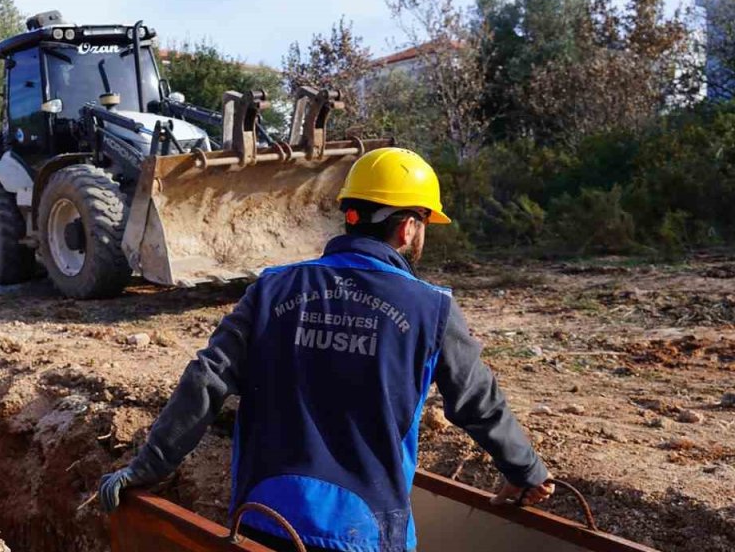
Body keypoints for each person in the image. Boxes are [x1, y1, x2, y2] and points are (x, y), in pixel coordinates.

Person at [99, 148, 554, 552]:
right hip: (366, 534)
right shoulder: (431, 309)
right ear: (410, 226)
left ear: (350, 213)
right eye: (424, 225)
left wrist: (147, 468)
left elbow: (206, 379)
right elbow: (479, 404)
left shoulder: (272, 288)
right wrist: (527, 473)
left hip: (263, 518)